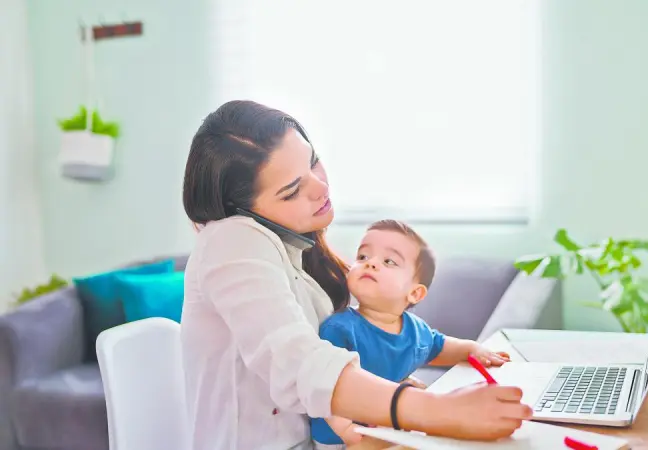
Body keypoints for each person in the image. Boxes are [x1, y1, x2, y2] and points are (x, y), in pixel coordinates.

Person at [181, 100, 532, 449]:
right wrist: (434, 410)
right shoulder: (231, 238)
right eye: (292, 191)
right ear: (242, 211)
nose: (320, 186)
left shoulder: (297, 254)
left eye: (313, 160)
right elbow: (297, 363)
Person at [310, 219, 512, 448]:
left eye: (389, 261)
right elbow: (327, 385)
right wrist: (347, 431)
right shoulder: (339, 329)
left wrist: (473, 349)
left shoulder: (415, 330)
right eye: (363, 257)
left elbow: (441, 347)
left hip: (388, 423)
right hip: (340, 437)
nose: (371, 264)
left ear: (415, 293)